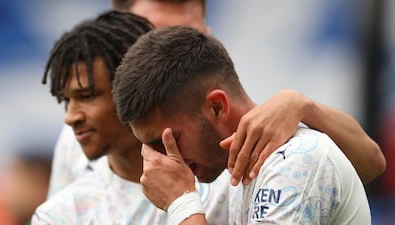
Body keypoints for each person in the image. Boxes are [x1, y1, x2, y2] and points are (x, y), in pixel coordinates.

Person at [48, 0, 385, 199]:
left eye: (187, 32)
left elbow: (370, 165)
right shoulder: (79, 140)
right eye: (153, 32)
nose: (168, 45)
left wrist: (301, 104)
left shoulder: (218, 120)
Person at [112, 26, 372, 224]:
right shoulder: (230, 167)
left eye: (168, 140)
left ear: (217, 107)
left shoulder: (294, 162)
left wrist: (182, 204)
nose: (161, 161)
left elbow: (374, 163)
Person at [32, 10, 228, 225]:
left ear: (134, 89)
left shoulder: (229, 182)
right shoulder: (61, 214)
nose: (70, 117)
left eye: (88, 96)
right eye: (65, 101)